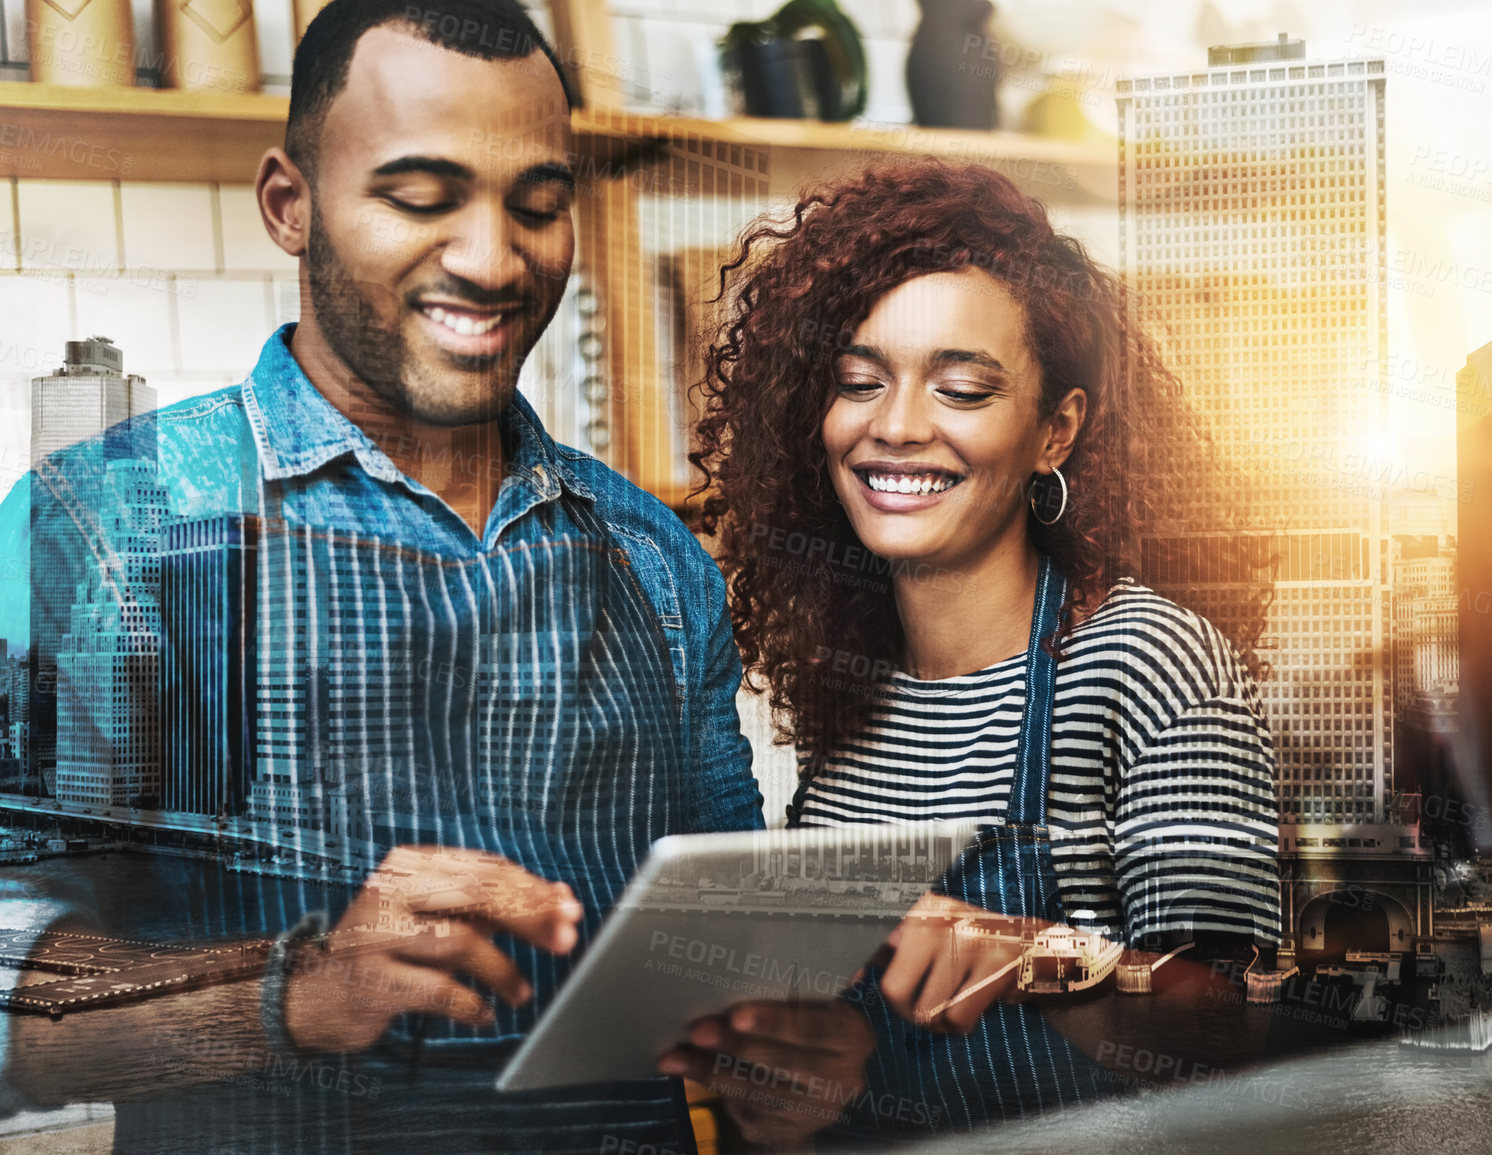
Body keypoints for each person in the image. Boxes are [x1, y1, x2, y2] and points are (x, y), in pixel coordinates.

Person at [0, 1, 767, 1150]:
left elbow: (732, 948)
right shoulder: (106, 527)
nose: (492, 258)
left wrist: (788, 1040)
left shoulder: (652, 556)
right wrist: (295, 993)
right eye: (420, 198)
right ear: (288, 204)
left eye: (540, 204)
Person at [666, 159, 1283, 1140]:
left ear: (1055, 430)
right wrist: (788, 1088)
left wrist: (1036, 957)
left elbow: (1244, 1029)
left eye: (961, 389)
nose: (897, 428)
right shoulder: (843, 687)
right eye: (859, 382)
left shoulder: (1148, 663)